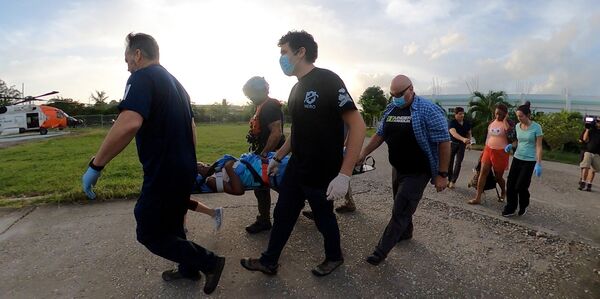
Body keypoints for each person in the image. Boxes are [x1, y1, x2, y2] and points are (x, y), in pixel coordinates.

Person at [81, 33, 224, 294]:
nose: (127, 66)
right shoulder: (177, 83)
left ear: (137, 54)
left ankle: (209, 262)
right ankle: (188, 269)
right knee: (172, 223)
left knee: (148, 230)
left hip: (164, 170)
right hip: (183, 166)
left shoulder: (142, 77)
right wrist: (190, 160)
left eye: (127, 59)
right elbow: (191, 127)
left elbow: (130, 122)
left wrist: (96, 165)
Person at [240, 30, 366, 277]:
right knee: (284, 212)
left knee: (322, 216)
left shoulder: (328, 80)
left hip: (323, 167)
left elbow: (358, 125)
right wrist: (277, 158)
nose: (282, 58)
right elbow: (297, 132)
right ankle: (269, 261)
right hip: (298, 165)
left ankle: (334, 257)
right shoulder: (296, 90)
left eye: (284, 52)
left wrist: (345, 174)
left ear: (301, 52)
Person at [357, 74, 451, 266]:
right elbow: (380, 134)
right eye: (392, 94)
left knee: (400, 209)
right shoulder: (391, 108)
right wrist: (363, 152)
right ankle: (406, 232)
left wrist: (442, 174)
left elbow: (444, 142)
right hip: (398, 168)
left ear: (411, 89)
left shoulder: (429, 110)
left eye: (399, 93)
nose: (395, 97)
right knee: (402, 204)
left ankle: (380, 251)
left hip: (418, 171)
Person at [242, 76, 285, 234]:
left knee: (274, 184)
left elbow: (276, 132)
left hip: (272, 154)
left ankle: (315, 205)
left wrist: (265, 153)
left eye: (251, 94)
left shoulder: (270, 107)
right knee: (262, 186)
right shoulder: (261, 105)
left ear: (260, 91)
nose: (250, 97)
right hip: (264, 152)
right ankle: (264, 219)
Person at [502, 102, 543, 217]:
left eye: (521, 116)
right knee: (510, 184)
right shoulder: (517, 126)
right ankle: (511, 207)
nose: (519, 118)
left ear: (528, 115)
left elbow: (539, 146)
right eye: (517, 116)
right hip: (517, 158)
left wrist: (538, 163)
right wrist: (511, 145)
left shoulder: (537, 127)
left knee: (520, 186)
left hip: (529, 161)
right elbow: (518, 141)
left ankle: (524, 204)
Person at [468, 104, 512, 204]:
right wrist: (484, 150)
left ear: (505, 114)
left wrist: (505, 120)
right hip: (488, 150)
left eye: (500, 114)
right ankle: (477, 197)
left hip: (501, 152)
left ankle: (503, 192)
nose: (498, 116)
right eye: (496, 114)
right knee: (483, 173)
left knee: (498, 177)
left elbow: (511, 134)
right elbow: (488, 137)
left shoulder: (509, 123)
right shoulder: (492, 122)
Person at [447, 107, 472, 188]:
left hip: (462, 145)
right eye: (460, 114)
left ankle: (453, 181)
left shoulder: (466, 122)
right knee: (449, 162)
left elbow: (469, 133)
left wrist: (469, 142)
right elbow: (453, 133)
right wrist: (463, 139)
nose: (462, 115)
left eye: (463, 113)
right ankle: (449, 179)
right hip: (452, 143)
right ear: (455, 115)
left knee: (458, 162)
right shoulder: (452, 122)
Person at [579, 116, 600, 192]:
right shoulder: (591, 129)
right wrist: (587, 129)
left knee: (594, 170)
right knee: (585, 167)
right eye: (598, 121)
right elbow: (584, 139)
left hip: (597, 153)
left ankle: (589, 184)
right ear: (595, 122)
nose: (599, 123)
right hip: (588, 151)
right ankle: (583, 182)